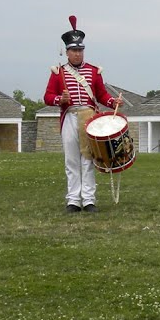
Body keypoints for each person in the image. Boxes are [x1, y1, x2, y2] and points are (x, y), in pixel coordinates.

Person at [43, 15, 120, 214]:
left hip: (88, 117)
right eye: (74, 50)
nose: (77, 54)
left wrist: (112, 102)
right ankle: (73, 200)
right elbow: (47, 96)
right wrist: (60, 99)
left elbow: (101, 95)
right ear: (67, 52)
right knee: (71, 160)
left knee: (88, 160)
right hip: (69, 117)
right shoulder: (58, 72)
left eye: (80, 50)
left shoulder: (94, 71)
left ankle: (88, 199)